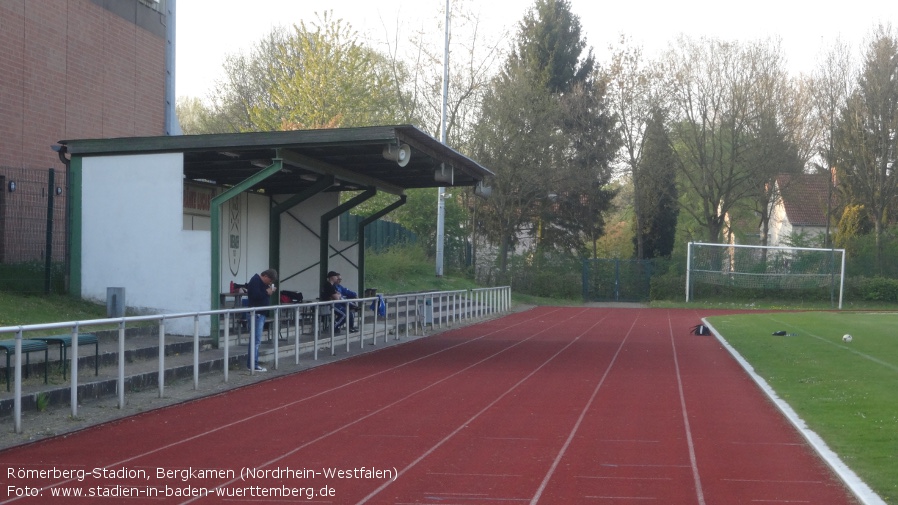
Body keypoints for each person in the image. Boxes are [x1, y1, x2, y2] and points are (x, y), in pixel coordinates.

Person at [246, 268, 277, 372]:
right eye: (270, 281)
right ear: (266, 276)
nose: (270, 283)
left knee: (255, 340)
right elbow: (255, 296)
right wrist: (267, 292)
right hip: (256, 314)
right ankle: (253, 364)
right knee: (255, 341)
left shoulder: (260, 282)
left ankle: (252, 363)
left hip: (260, 314)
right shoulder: (255, 281)